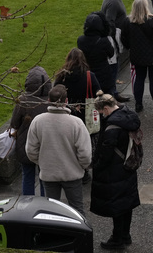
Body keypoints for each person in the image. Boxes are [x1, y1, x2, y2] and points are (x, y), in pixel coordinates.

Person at [26, 84, 92, 216]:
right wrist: (82, 167)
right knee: (77, 210)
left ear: (48, 101)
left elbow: (30, 150)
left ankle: (53, 236)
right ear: (66, 101)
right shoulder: (76, 123)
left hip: (49, 174)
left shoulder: (38, 121)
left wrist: (43, 162)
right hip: (72, 174)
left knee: (51, 212)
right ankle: (79, 235)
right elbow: (85, 153)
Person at [91, 93, 141, 250]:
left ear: (106, 109)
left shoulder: (112, 127)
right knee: (126, 203)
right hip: (129, 166)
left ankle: (117, 238)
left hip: (114, 170)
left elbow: (106, 154)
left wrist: (95, 166)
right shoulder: (129, 116)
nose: (101, 115)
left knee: (117, 206)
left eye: (101, 112)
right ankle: (125, 235)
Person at [120, 0, 153, 113]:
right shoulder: (152, 21)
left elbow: (124, 39)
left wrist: (131, 47)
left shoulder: (128, 22)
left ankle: (138, 104)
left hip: (137, 56)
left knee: (139, 79)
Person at [10, 66, 51, 196]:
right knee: (45, 178)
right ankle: (45, 205)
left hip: (26, 144)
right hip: (45, 144)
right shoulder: (51, 100)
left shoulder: (23, 100)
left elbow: (14, 123)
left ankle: (27, 206)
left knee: (27, 176)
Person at [101, 0, 131, 102]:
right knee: (112, 71)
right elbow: (109, 23)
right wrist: (116, 42)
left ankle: (114, 93)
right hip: (113, 42)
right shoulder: (113, 2)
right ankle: (111, 98)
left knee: (115, 69)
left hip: (115, 40)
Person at [54, 48, 101, 122]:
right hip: (87, 113)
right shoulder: (90, 76)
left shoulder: (62, 76)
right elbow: (98, 92)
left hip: (67, 112)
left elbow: (55, 92)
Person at [78, 12, 116, 98]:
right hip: (104, 76)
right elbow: (111, 53)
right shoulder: (104, 41)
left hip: (88, 75)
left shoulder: (80, 40)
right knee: (107, 101)